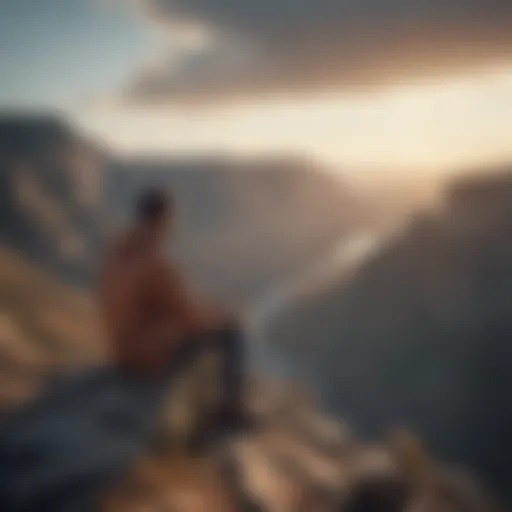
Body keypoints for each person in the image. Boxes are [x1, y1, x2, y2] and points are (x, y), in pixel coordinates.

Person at [99, 187, 250, 432]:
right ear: (164, 219)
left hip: (122, 351)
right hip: (147, 357)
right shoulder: (157, 262)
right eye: (172, 218)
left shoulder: (120, 251)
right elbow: (190, 318)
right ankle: (230, 412)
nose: (174, 225)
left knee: (209, 327)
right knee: (231, 333)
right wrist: (225, 315)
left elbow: (168, 308)